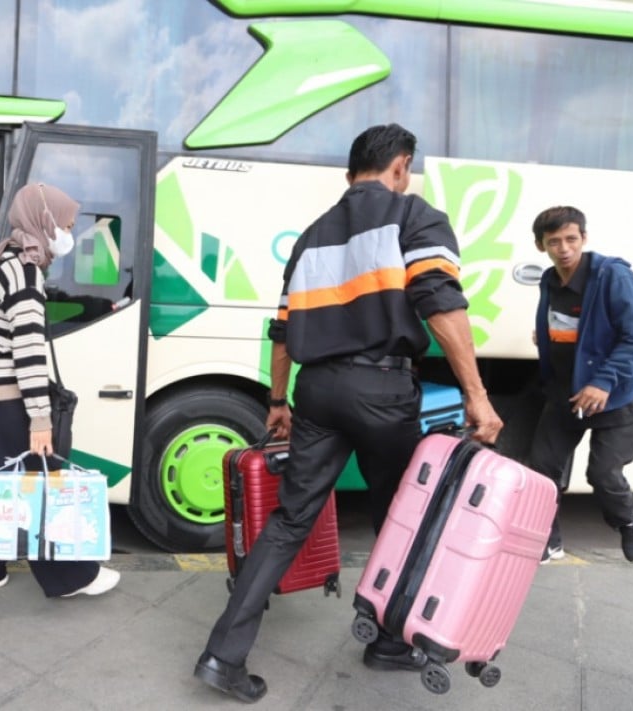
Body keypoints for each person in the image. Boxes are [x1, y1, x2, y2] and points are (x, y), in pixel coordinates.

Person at [194, 124, 504, 704]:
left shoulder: (311, 236)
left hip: (316, 391)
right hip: (382, 389)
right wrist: (477, 395)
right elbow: (439, 301)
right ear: (401, 166)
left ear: (349, 173)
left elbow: (283, 328)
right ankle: (389, 641)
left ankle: (222, 656)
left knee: (290, 521)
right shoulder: (413, 215)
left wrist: (279, 401)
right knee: (401, 518)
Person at [0, 183, 120, 598]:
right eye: (67, 225)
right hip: (4, 395)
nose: (69, 234)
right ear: (45, 221)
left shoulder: (9, 256)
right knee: (37, 480)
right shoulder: (23, 271)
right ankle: (72, 578)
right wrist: (40, 419)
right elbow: (29, 353)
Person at [527, 206, 633, 565]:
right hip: (566, 395)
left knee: (602, 475)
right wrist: (552, 340)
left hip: (617, 401)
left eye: (571, 239)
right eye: (554, 241)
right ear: (541, 246)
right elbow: (577, 328)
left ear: (584, 238)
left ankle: (630, 521)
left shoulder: (613, 277)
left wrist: (602, 382)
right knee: (541, 468)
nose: (564, 247)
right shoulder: (549, 279)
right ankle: (547, 539)